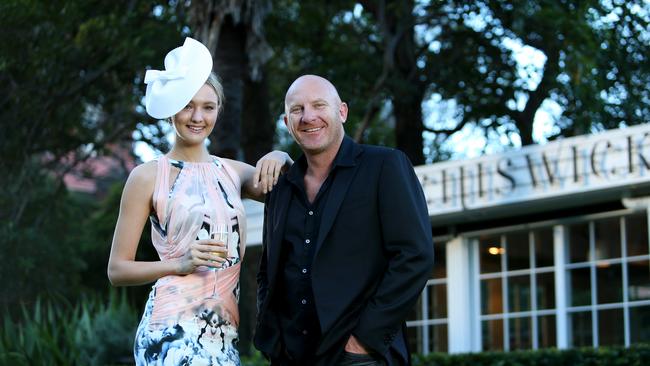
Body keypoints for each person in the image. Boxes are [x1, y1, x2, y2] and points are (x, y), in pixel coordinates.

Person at [107, 37, 292, 365]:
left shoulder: (233, 173)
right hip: (171, 332)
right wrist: (179, 265)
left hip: (223, 334)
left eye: (208, 107)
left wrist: (281, 155)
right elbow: (117, 269)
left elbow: (292, 190)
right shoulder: (148, 176)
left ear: (219, 110)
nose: (197, 117)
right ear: (171, 110)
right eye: (187, 105)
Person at [254, 74, 434, 366]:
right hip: (289, 356)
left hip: (359, 357)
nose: (308, 116)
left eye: (318, 105)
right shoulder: (281, 188)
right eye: (297, 109)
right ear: (287, 123)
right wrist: (273, 335)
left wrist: (364, 340)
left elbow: (415, 256)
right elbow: (268, 271)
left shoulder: (385, 166)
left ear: (342, 112)